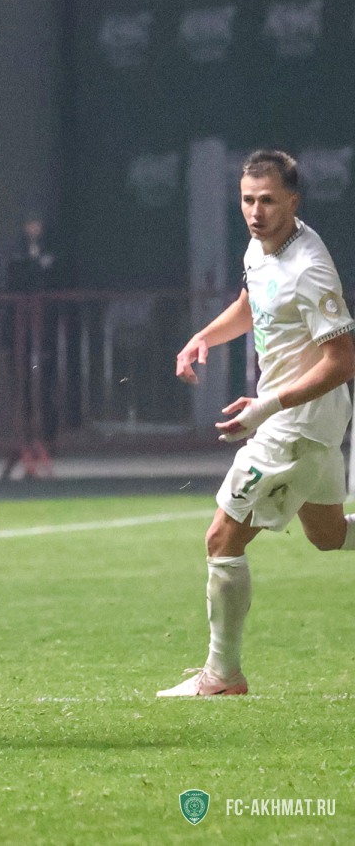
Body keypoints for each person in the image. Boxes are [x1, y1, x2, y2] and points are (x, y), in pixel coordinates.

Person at [159, 150, 355, 697]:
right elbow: (253, 305)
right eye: (248, 200)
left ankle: (221, 676)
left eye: (268, 200)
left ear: (293, 201)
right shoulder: (261, 248)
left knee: (222, 538)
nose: (255, 211)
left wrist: (266, 407)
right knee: (329, 535)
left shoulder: (310, 267)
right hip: (305, 419)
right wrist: (203, 337)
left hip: (295, 424)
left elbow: (343, 361)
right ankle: (221, 676)